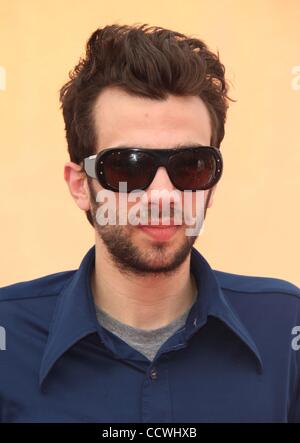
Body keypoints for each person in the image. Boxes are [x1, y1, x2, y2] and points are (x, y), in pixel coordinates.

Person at [0, 23, 299, 423]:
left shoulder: (286, 329)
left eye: (191, 166)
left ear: (211, 185)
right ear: (80, 186)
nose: (162, 196)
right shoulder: (9, 337)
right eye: (128, 166)